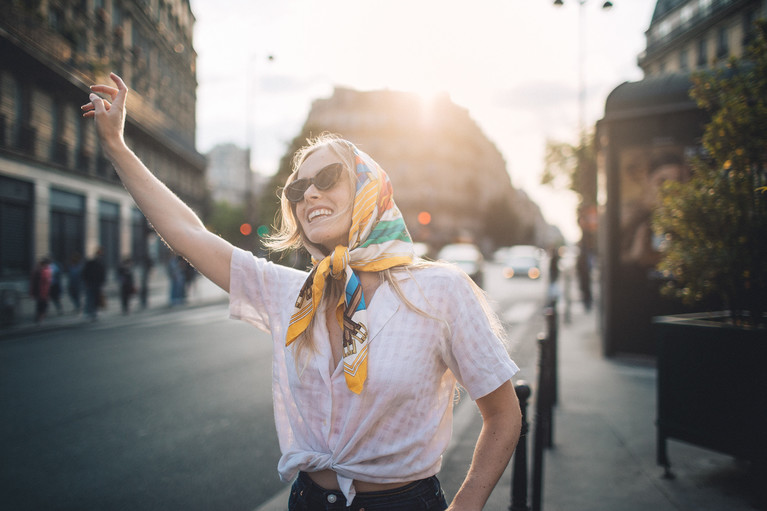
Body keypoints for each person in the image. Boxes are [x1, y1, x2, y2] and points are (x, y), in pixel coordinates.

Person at [83, 73, 522, 510]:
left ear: (369, 190)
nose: (308, 193)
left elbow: (503, 413)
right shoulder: (297, 294)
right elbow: (188, 233)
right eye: (297, 188)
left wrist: (466, 505)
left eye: (327, 177)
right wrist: (117, 147)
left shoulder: (439, 290)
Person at [82, 247, 106, 320]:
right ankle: (90, 312)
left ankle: (92, 312)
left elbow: (103, 274)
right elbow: (84, 273)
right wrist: (86, 281)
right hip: (91, 283)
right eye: (99, 254)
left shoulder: (100, 263)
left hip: (96, 284)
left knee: (94, 298)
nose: (100, 256)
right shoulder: (91, 263)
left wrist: (102, 282)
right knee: (90, 298)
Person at [30, 257, 53, 323]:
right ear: (44, 264)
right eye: (47, 264)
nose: (48, 265)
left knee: (40, 305)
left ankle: (39, 318)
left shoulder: (39, 270)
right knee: (42, 306)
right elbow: (45, 281)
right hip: (42, 292)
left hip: (42, 291)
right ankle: (40, 318)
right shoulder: (44, 271)